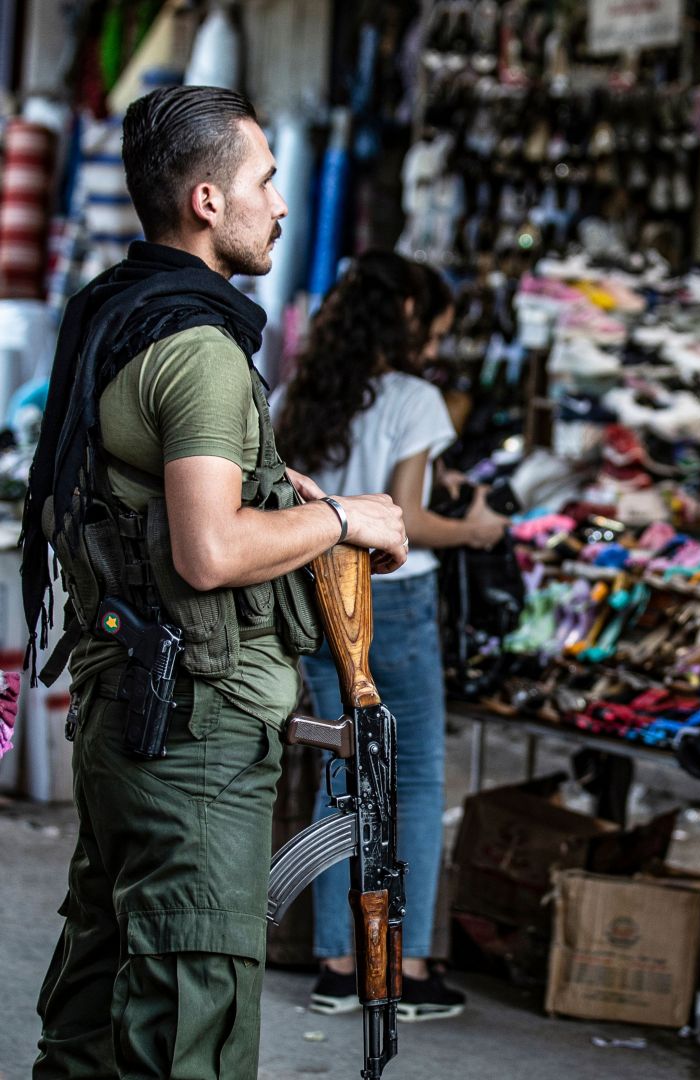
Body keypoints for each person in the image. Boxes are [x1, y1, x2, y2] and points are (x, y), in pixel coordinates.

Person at [21, 86, 408, 1079]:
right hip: (190, 736)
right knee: (187, 1036)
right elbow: (208, 552)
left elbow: (157, 496)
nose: (281, 204)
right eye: (266, 180)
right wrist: (343, 519)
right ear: (205, 200)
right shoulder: (198, 350)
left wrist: (283, 489)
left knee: (98, 1021)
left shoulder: (121, 313)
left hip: (134, 716)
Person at [276, 251, 507, 1020]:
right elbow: (406, 519)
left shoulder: (295, 397)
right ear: (407, 318)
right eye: (435, 331)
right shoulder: (415, 399)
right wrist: (475, 530)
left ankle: (340, 966)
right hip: (396, 600)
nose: (437, 349)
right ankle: (399, 968)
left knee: (343, 770)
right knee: (410, 776)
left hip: (312, 590)